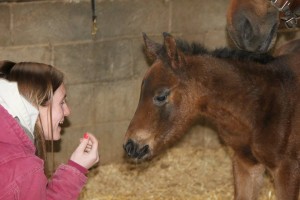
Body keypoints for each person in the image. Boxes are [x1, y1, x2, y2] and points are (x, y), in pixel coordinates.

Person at [0, 61, 99, 199]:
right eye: (62, 102)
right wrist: (76, 170)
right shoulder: (25, 170)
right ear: (36, 104)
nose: (67, 111)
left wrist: (76, 167)